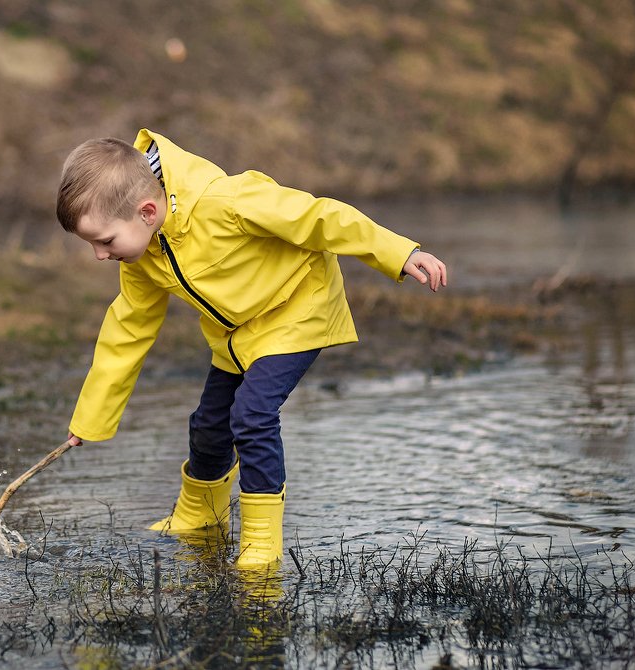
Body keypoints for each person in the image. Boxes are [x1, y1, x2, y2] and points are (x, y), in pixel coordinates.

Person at [55, 129, 447, 570]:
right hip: (239, 334)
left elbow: (323, 218)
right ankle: (201, 514)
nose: (98, 256)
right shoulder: (144, 254)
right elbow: (127, 330)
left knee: (252, 415)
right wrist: (92, 418)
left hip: (297, 310)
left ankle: (261, 540)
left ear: (147, 211)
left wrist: (398, 252)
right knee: (208, 425)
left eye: (105, 241)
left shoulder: (228, 202)